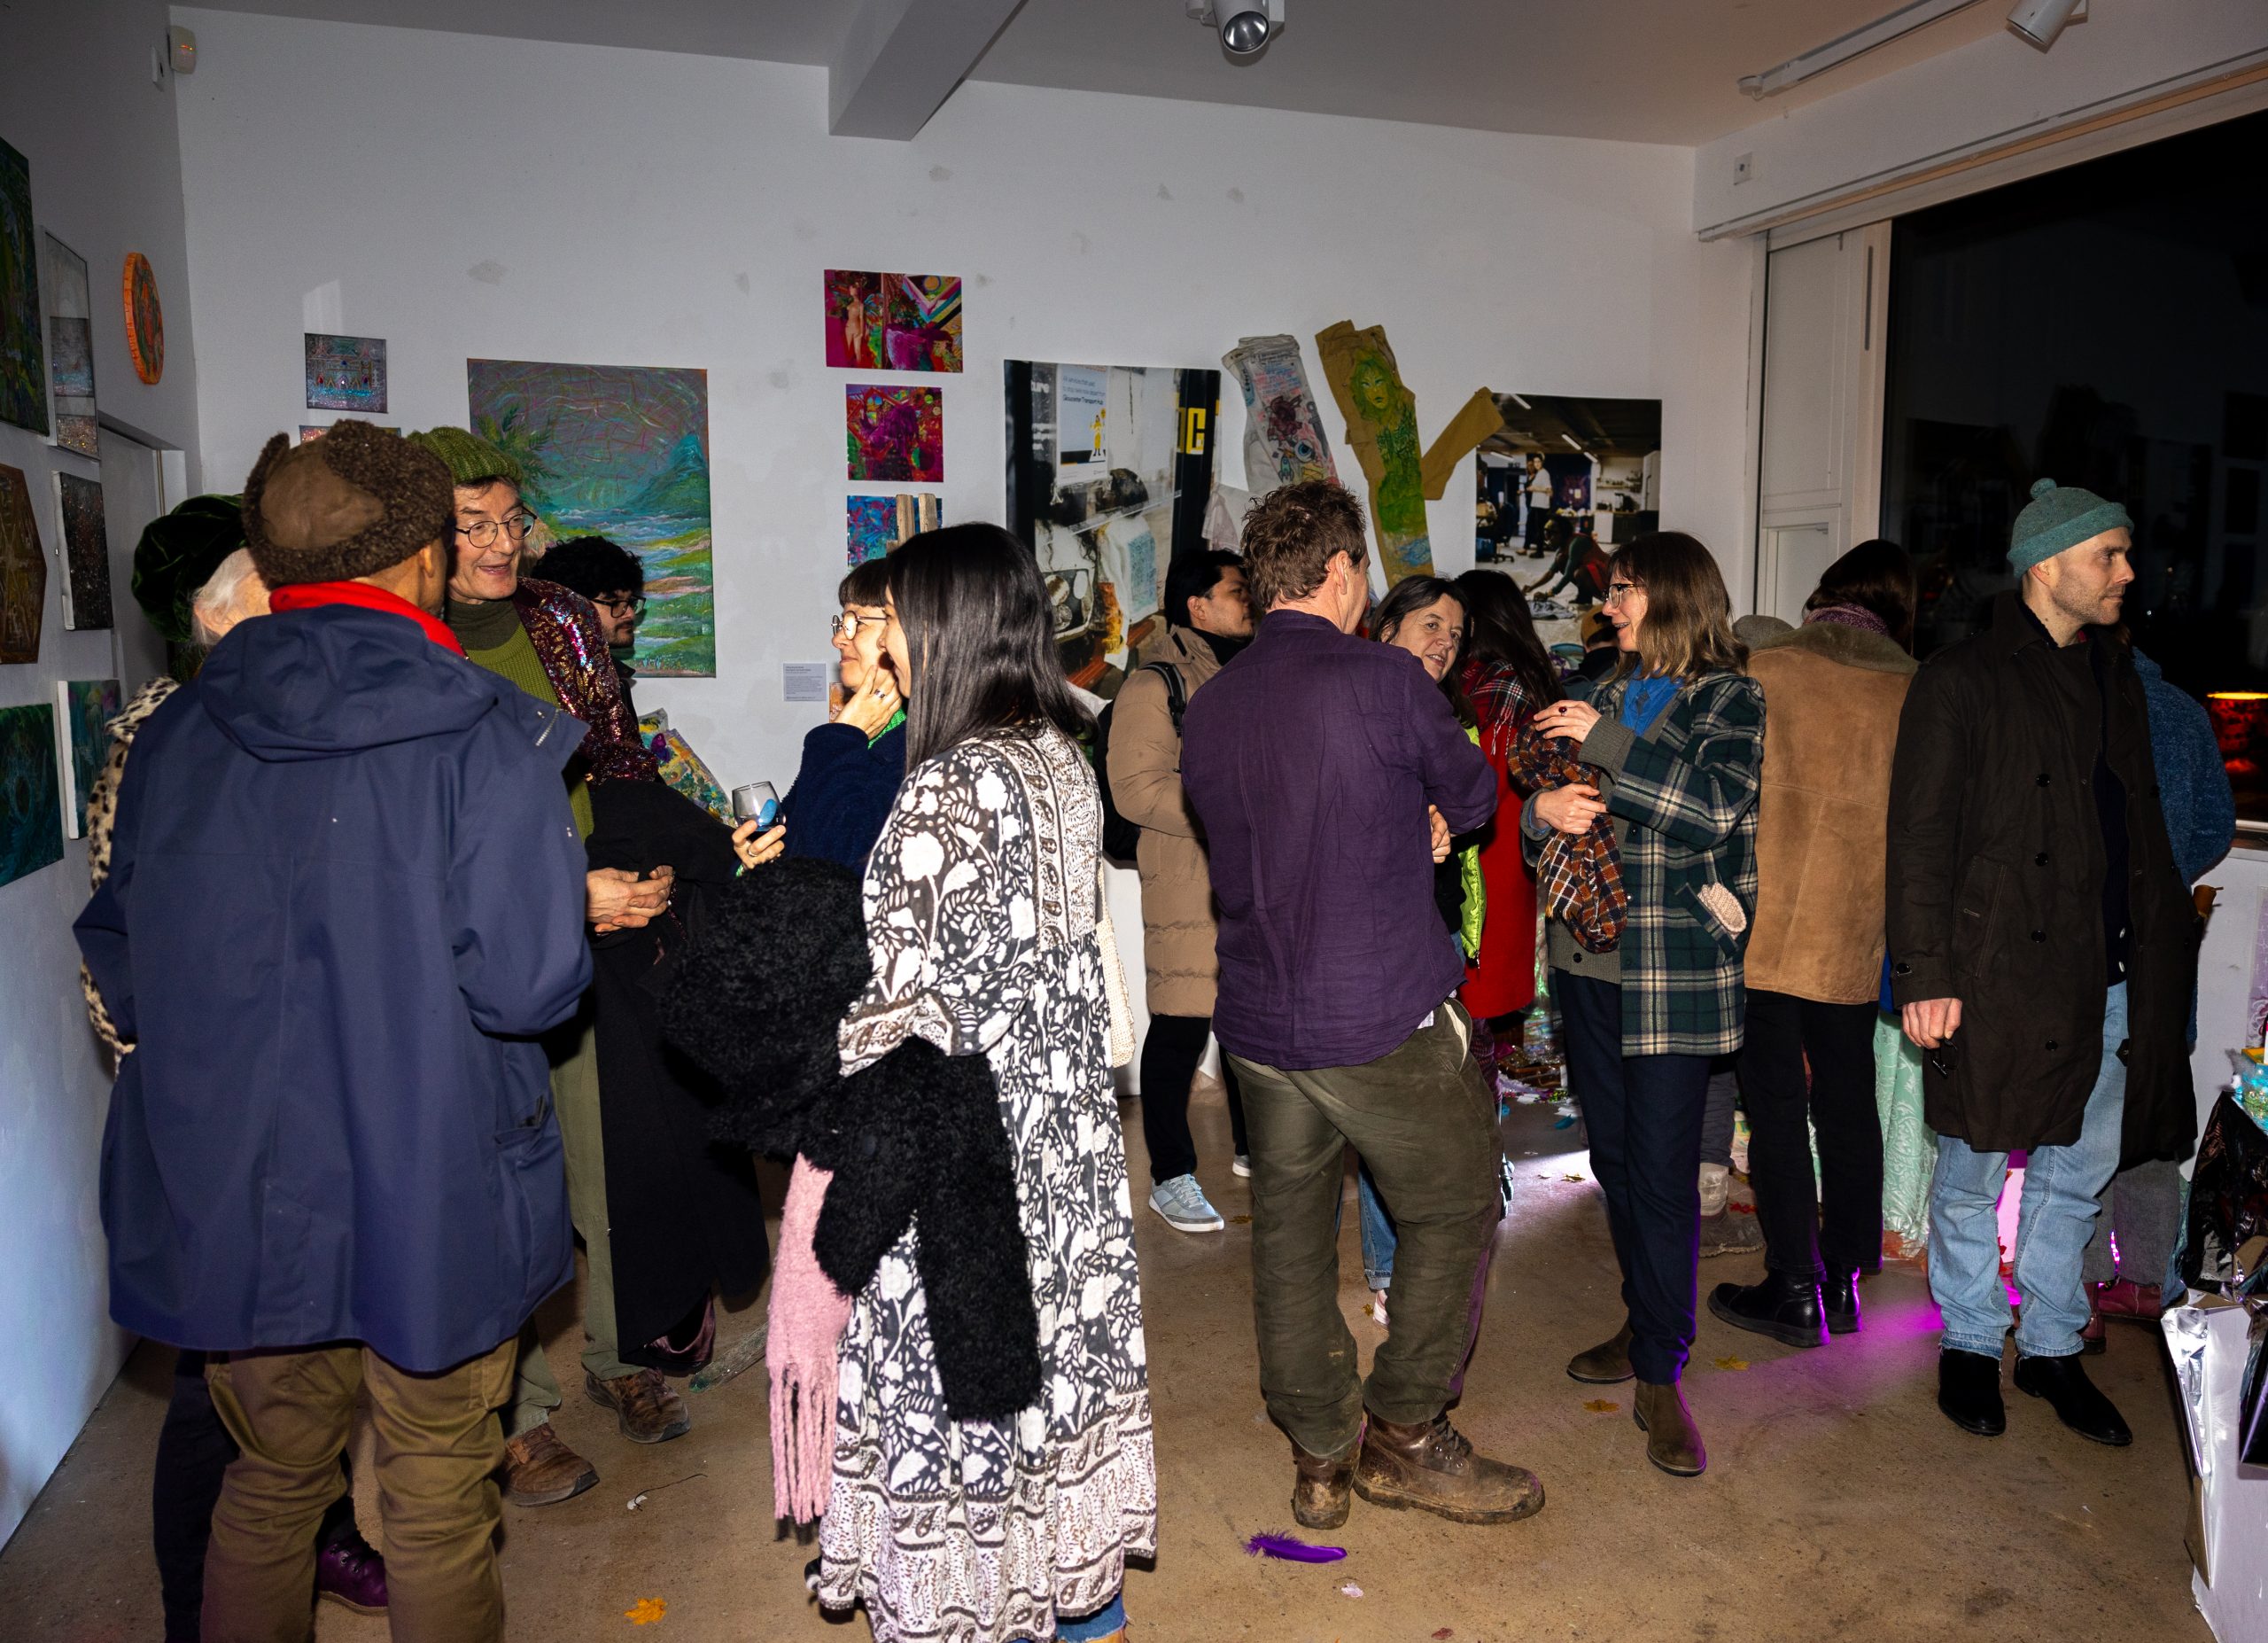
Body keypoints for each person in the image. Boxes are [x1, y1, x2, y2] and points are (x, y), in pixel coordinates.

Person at [75, 421, 593, 1639]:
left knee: (267, 1484)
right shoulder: (482, 735)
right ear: (423, 556)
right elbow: (527, 988)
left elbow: (124, 957)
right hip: (435, 1172)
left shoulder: (174, 735)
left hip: (246, 1183)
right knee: (437, 1501)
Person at [407, 425, 762, 1504]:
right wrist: (568, 892)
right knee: (495, 1186)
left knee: (615, 1159)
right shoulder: (403, 642)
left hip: (588, 929)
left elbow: (615, 767)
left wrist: (652, 870)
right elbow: (417, 844)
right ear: (424, 534)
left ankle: (623, 1354)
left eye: (512, 521)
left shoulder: (558, 619)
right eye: (472, 525)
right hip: (466, 952)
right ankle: (518, 1417)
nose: (499, 543)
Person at [1181, 479, 1542, 1530]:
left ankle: (1318, 1455)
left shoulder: (1214, 701)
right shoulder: (1383, 678)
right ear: (1341, 573)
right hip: (1379, 1014)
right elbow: (1471, 796)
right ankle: (1405, 1433)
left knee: (1291, 1239)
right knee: (1456, 1204)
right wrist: (1425, 809)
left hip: (1258, 1023)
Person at [817, 525, 1154, 1643]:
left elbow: (894, 1000)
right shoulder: (1052, 754)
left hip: (961, 1143)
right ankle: (1082, 1608)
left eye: (895, 624)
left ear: (946, 630)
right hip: (1058, 1133)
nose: (879, 649)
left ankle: (970, 1605)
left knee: (958, 1387)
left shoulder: (946, 787)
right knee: (1049, 1377)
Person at [1889, 479, 2198, 1448]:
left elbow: (2138, 829)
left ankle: (2053, 1346)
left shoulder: (2117, 679)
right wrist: (1925, 972)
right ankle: (1971, 1341)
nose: (2127, 571)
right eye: (2109, 554)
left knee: (2078, 1173)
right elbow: (1918, 837)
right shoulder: (1959, 677)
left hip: (2111, 972)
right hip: (1996, 972)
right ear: (2047, 563)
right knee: (1974, 1166)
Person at [1526, 532, 1763, 1478]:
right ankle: (1644, 1318)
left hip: (1673, 971)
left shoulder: (1729, 697)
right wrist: (1539, 812)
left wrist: (1603, 741)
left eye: (1624, 591)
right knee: (1617, 1163)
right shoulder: (1602, 686)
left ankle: (1662, 1370)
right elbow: (1544, 803)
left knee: (1663, 1175)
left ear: (1673, 597)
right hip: (1586, 960)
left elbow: (1710, 811)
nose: (1608, 606)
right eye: (1611, 591)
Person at [1710, 541, 1919, 1348]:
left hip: (1761, 929)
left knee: (1775, 1111)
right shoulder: (1914, 690)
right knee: (1848, 1107)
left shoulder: (1769, 668)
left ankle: (1792, 1285)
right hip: (1854, 937)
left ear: (1823, 595)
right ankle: (1844, 1283)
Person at [2080, 642, 2233, 1347]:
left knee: (2081, 1124)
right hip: (2164, 948)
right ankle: (2144, 1284)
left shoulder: (2075, 701)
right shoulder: (2184, 713)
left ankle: (2078, 1289)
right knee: (2153, 1119)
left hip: (2091, 941)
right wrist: (2167, 876)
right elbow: (2216, 826)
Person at [1110, 548, 1254, 1233]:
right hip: (1188, 877)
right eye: (1236, 590)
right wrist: (1232, 809)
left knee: (1251, 1023)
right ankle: (1171, 1177)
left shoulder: (1255, 670)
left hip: (1253, 874)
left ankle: (1256, 1151)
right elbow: (1136, 789)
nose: (1249, 600)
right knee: (1180, 1027)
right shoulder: (1156, 682)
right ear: (1198, 604)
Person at [1358, 574, 1487, 1323]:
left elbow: (1472, 817)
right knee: (1386, 1117)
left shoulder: (1448, 717)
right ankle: (1386, 1270)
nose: (1445, 642)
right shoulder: (1361, 706)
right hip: (1374, 938)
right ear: (1386, 627)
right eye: (1431, 624)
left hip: (1435, 931)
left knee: (1426, 1117)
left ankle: (1408, 1266)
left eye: (1455, 633)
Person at [1451, 570, 1559, 1080]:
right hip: (1517, 839)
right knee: (1495, 970)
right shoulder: (1530, 677)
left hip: (1482, 842)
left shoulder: (1486, 684)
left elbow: (1480, 774)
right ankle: (1496, 1063)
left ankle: (1481, 1079)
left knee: (1475, 972)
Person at [780, 554, 908, 869]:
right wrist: (756, 857)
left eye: (856, 623)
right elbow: (796, 832)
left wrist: (841, 736)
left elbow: (840, 861)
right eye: (841, 623)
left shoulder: (919, 741)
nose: (838, 638)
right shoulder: (860, 725)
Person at [530, 533, 647, 719]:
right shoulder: (541, 684)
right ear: (569, 607)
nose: (630, 613)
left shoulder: (602, 677)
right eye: (614, 602)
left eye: (630, 602)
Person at [1522, 455, 1553, 555]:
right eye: (1535, 462)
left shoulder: (1544, 473)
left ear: (1542, 462)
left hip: (1541, 505)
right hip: (1535, 504)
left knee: (1539, 529)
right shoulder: (1539, 473)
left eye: (1538, 462)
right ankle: (1529, 548)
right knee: (1532, 526)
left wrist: (1535, 489)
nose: (1536, 464)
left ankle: (1539, 552)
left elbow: (1548, 490)